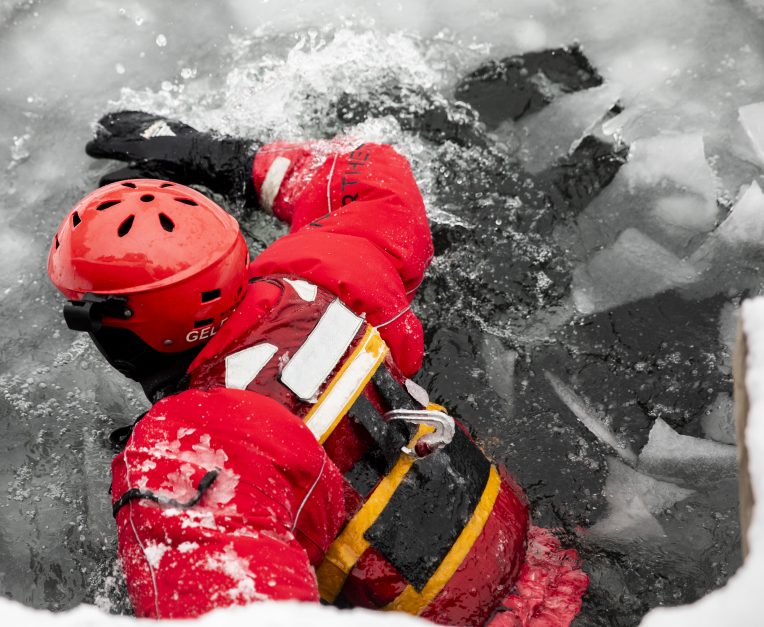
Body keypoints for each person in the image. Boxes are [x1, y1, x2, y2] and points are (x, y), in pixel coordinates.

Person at [47, 105, 590, 625]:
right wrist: (230, 159)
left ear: (114, 336)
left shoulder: (188, 447)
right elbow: (379, 181)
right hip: (546, 567)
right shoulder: (326, 278)